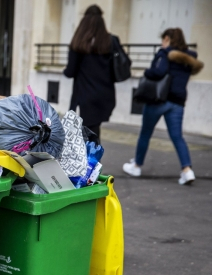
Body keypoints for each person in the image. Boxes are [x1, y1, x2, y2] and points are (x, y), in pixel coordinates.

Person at [123, 28, 203, 185]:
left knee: (146, 133)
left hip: (158, 100)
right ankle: (187, 171)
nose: (161, 43)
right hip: (178, 103)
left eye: (162, 39)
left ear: (167, 38)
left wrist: (147, 72)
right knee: (177, 136)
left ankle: (137, 166)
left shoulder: (165, 53)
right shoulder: (188, 59)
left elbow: (159, 72)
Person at [63, 5, 118, 138]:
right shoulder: (110, 41)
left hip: (85, 95)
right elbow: (116, 70)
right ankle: (92, 157)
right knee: (93, 131)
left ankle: (90, 158)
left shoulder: (79, 42)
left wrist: (66, 71)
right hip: (105, 94)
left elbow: (70, 71)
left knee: (88, 134)